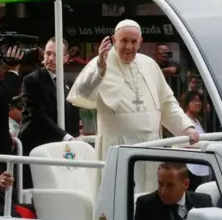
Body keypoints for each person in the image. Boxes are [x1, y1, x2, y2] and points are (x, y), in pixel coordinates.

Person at [67, 19, 199, 192]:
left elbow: (167, 102)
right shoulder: (100, 62)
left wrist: (186, 128)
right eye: (124, 41)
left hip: (151, 145)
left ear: (140, 43)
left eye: (133, 41)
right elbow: (82, 94)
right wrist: (99, 66)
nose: (128, 47)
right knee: (120, 197)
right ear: (114, 40)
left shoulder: (149, 64)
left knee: (149, 197)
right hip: (117, 147)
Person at [19, 37, 80, 188]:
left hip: (62, 149)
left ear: (66, 58)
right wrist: (66, 137)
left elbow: (72, 114)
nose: (51, 58)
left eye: (56, 55)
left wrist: (74, 137)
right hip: (36, 145)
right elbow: (38, 115)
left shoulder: (69, 83)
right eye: (47, 53)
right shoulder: (31, 80)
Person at [134, 162, 212, 220]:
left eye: (170, 185)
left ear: (186, 184)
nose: (163, 191)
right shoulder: (146, 205)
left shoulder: (203, 203)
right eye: (160, 184)